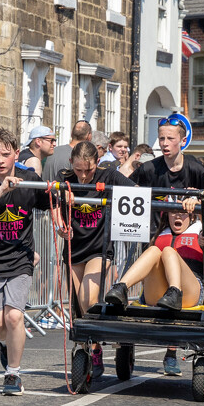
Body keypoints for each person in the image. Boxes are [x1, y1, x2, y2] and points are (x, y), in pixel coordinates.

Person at [0, 128, 58, 395]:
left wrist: (60, 217)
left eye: (6, 155)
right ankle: (7, 343)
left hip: (20, 257)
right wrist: (0, 191)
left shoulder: (30, 179)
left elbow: (50, 201)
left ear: (16, 154)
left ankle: (13, 373)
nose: (1, 160)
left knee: (14, 316)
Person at [129, 115, 204, 373]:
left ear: (182, 141)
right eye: (161, 138)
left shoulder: (195, 169)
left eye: (170, 139)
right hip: (155, 239)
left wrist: (198, 205)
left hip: (191, 286)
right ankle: (121, 288)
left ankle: (172, 351)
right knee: (159, 249)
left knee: (168, 251)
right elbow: (125, 187)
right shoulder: (150, 169)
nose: (164, 143)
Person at [54, 142, 135, 379]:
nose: (82, 175)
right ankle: (91, 350)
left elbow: (135, 190)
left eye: (87, 170)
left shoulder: (108, 174)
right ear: (71, 164)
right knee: (79, 310)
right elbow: (53, 203)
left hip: (99, 249)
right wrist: (60, 224)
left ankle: (98, 346)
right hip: (74, 247)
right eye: (78, 170)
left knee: (87, 297)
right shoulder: (65, 177)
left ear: (96, 163)